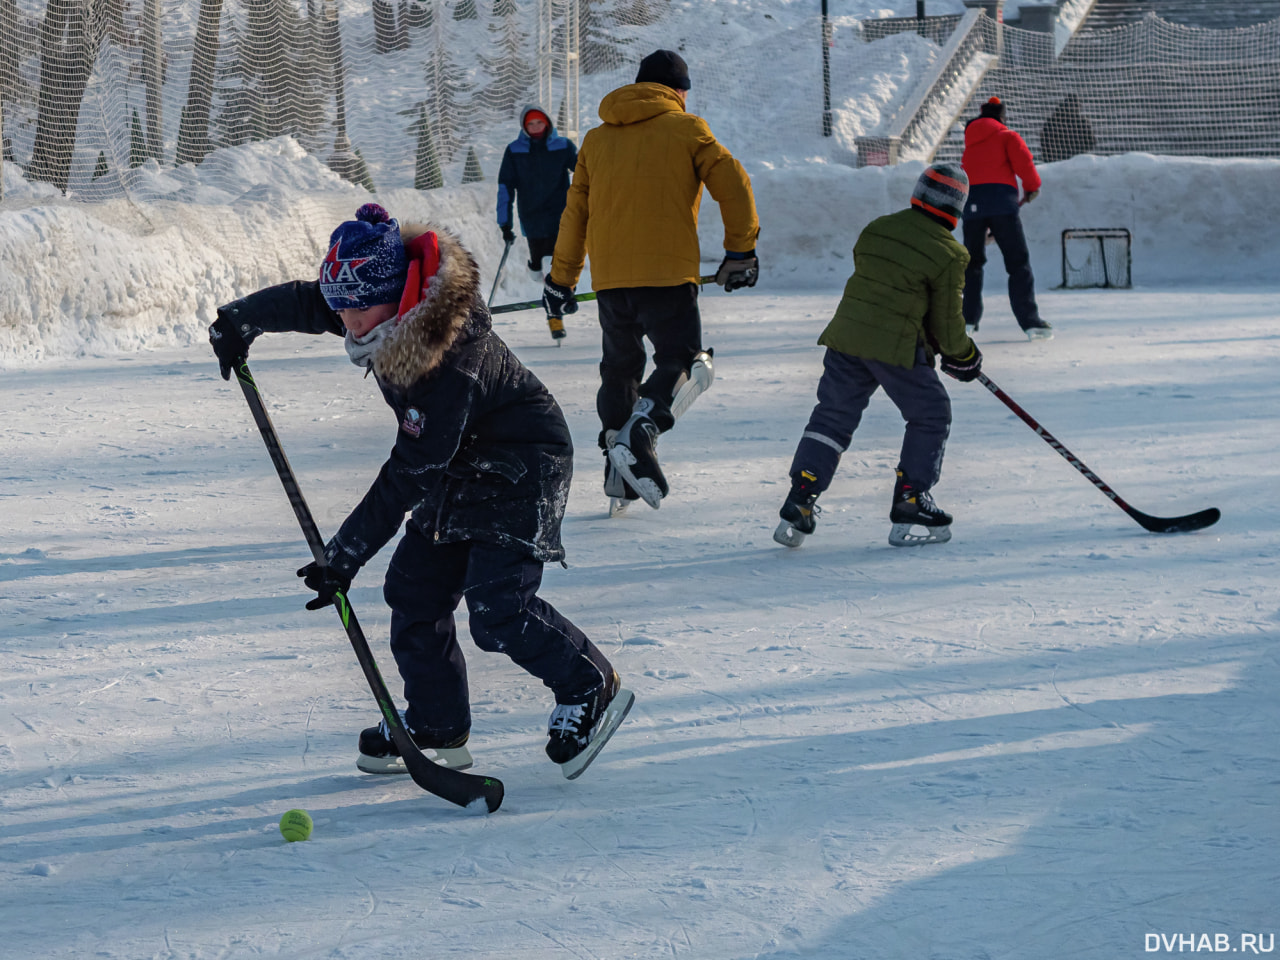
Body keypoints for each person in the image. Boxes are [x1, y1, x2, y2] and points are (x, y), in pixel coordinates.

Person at [208, 203, 633, 780]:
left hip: (522, 465)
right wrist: (240, 318)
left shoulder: (446, 359)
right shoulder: (382, 305)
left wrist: (345, 554)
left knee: (496, 611)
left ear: (397, 295)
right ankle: (437, 725)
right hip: (458, 463)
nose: (349, 321)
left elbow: (411, 468)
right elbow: (316, 301)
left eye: (359, 308)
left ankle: (588, 683)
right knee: (412, 590)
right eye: (344, 308)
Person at [543, 49, 760, 514]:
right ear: (678, 91)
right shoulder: (688, 128)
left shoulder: (596, 141)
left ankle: (618, 474)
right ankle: (645, 428)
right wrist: (741, 251)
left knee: (620, 369)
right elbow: (734, 183)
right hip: (667, 276)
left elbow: (575, 213)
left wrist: (561, 279)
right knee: (684, 361)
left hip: (611, 283)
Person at [773, 164, 982, 550]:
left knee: (833, 416)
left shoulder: (878, 228)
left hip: (847, 336)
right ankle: (911, 499)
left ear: (918, 195)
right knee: (931, 412)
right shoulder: (950, 254)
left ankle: (801, 495)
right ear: (956, 210)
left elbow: (887, 286)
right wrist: (964, 356)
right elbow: (949, 324)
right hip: (894, 347)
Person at [960, 96, 1053, 341]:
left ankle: (967, 320)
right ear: (1001, 116)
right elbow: (1024, 163)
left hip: (972, 206)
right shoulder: (1007, 136)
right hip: (1003, 206)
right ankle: (1030, 321)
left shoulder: (970, 141)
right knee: (1017, 263)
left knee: (971, 264)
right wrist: (1032, 187)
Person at [497, 105, 578, 341]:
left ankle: (557, 312)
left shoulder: (563, 146)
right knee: (540, 261)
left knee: (559, 263)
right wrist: (505, 224)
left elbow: (584, 174)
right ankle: (534, 267)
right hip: (532, 217)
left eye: (539, 123)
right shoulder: (514, 151)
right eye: (530, 124)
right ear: (524, 126)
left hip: (562, 215)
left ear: (548, 123)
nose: (535, 128)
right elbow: (505, 188)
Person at [1039, 92, 1095, 164]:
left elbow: (1091, 142)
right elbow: (1091, 143)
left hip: (1057, 161)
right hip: (1069, 161)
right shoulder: (1081, 122)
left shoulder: (1053, 120)